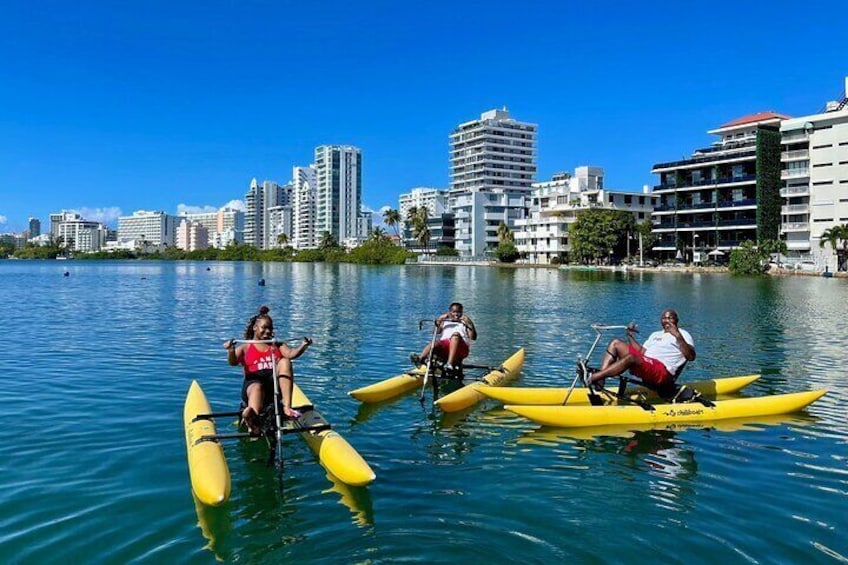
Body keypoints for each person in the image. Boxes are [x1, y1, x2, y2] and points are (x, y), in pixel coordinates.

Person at [224, 306, 312, 435]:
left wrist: (303, 346)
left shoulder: (277, 345)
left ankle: (287, 407)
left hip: (273, 386)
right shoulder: (246, 347)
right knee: (257, 387)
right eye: (264, 327)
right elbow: (232, 362)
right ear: (255, 328)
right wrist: (231, 350)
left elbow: (291, 354)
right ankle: (253, 418)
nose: (267, 331)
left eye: (270, 328)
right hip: (253, 385)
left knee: (285, 361)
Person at [584, 309, 695, 392]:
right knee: (616, 343)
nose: (666, 320)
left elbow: (691, 357)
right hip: (647, 364)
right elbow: (642, 352)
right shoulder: (655, 334)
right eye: (664, 318)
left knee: (632, 357)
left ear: (676, 320)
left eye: (670, 318)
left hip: (663, 372)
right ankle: (600, 381)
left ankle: (594, 377)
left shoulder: (683, 334)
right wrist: (630, 336)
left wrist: (678, 336)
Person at [410, 302, 477, 372]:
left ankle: (449, 364)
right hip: (445, 345)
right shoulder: (445, 321)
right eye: (454, 312)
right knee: (434, 344)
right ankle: (420, 360)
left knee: (455, 335)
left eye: (459, 312)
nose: (456, 314)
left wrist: (469, 323)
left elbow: (473, 337)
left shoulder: (464, 322)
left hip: (460, 347)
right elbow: (435, 332)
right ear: (450, 312)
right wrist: (440, 319)